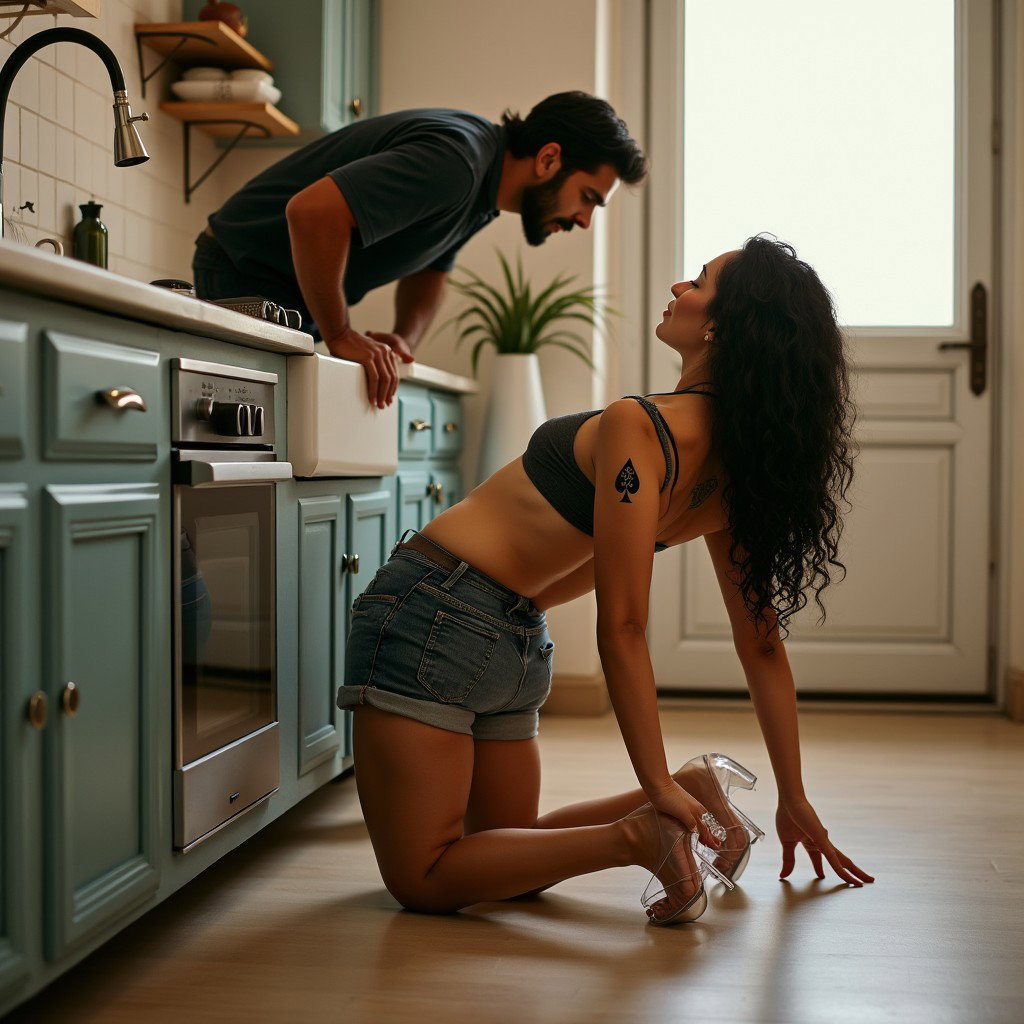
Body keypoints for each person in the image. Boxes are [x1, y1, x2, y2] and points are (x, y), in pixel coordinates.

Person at [337, 235, 875, 925]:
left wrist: (648, 787)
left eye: (699, 281)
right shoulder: (737, 473)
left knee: (424, 878)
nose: (680, 288)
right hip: (512, 640)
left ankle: (640, 831)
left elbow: (622, 627)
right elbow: (762, 643)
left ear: (722, 325)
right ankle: (689, 793)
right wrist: (792, 795)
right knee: (501, 859)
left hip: (430, 613)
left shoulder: (639, 424)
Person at [192, 91, 646, 409]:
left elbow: (433, 268)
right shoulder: (458, 164)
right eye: (588, 198)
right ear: (549, 159)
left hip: (280, 294)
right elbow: (311, 213)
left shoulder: (482, 189)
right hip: (244, 276)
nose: (585, 221)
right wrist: (342, 333)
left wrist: (405, 338)